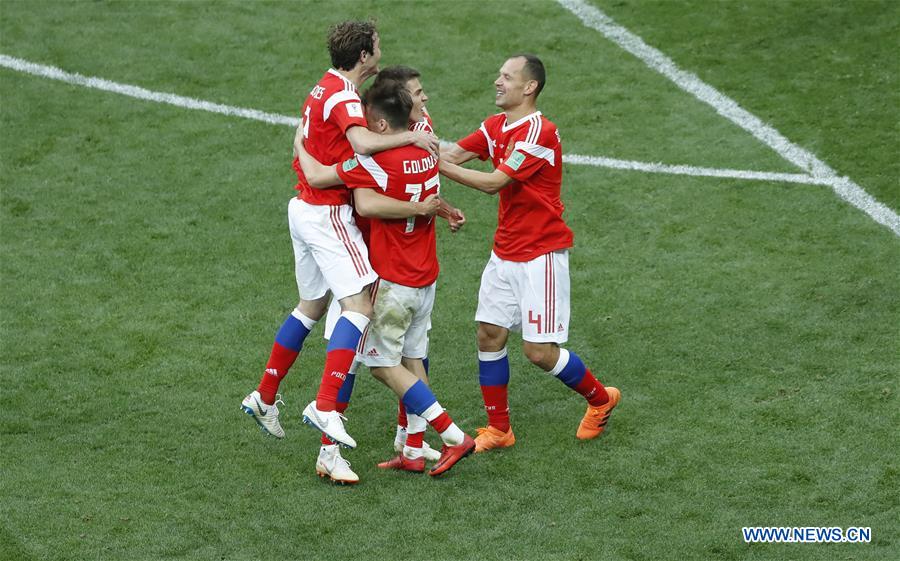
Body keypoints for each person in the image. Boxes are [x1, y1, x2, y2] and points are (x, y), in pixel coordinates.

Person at [239, 21, 438, 483]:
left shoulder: (323, 88)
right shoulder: (361, 111)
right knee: (360, 306)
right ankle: (326, 410)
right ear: (364, 54)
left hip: (305, 209)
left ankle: (266, 396)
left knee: (314, 307)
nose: (423, 100)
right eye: (417, 94)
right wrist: (409, 142)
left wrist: (308, 159)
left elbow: (311, 148)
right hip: (330, 219)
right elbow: (357, 153)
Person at [439, 54, 621, 452]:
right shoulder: (495, 126)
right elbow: (450, 155)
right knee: (489, 335)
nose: (497, 82)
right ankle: (499, 429)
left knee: (538, 352)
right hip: (504, 252)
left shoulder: (540, 132)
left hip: (541, 255)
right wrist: (409, 143)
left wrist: (435, 163)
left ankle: (600, 399)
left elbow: (494, 182)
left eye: (507, 77)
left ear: (529, 87)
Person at [297, 79, 476, 476]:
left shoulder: (373, 161)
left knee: (376, 365)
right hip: (425, 276)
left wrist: (299, 142)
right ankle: (413, 447)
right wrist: (440, 209)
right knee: (413, 358)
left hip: (390, 281)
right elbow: (424, 198)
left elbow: (320, 179)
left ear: (379, 125)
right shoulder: (427, 149)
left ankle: (451, 434)